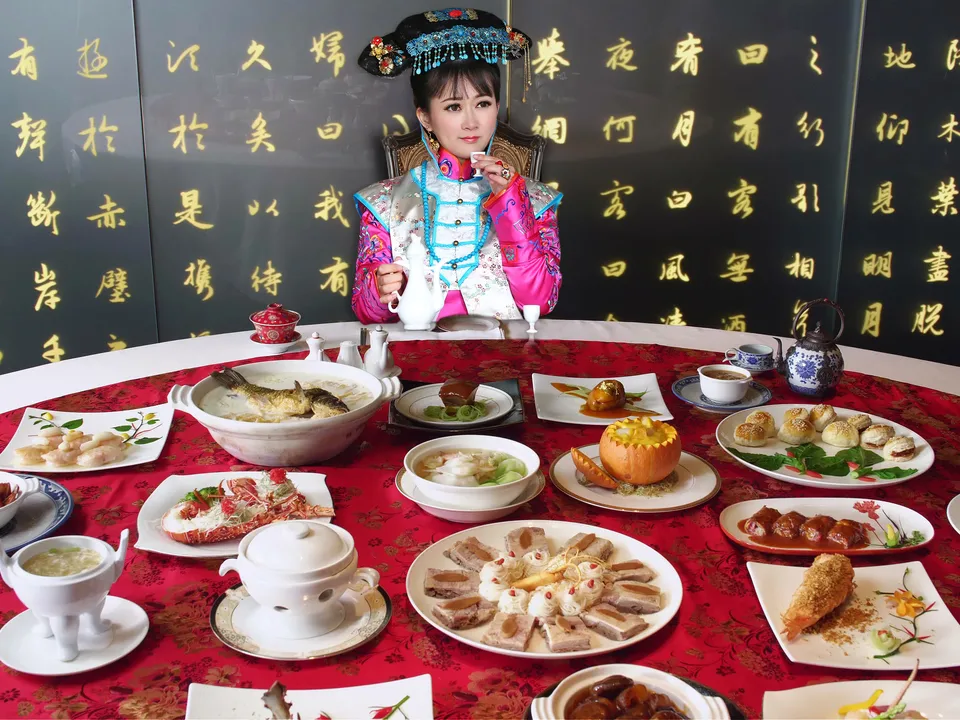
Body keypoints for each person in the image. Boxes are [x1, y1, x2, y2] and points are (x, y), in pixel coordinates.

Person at [351, 8, 562, 325]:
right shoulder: (384, 203)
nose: (471, 122)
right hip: (417, 352)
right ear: (425, 117)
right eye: (453, 107)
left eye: (483, 103)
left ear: (497, 107)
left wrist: (511, 203)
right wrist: (380, 290)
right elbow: (367, 313)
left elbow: (541, 302)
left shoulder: (533, 199)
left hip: (503, 350)